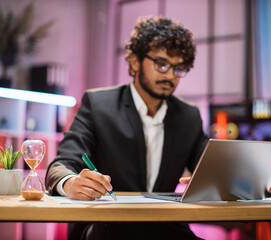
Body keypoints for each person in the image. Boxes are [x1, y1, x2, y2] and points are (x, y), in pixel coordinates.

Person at [45, 16, 208, 240]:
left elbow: (210, 166)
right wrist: (71, 182)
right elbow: (62, 164)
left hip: (164, 226)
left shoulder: (189, 116)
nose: (170, 75)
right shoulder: (98, 105)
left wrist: (215, 179)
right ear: (134, 61)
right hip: (107, 224)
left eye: (179, 68)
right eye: (162, 64)